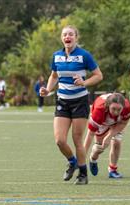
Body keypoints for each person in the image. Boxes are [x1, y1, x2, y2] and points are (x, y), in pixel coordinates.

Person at [40, 25, 103, 185]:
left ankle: (83, 174)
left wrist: (84, 82)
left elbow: (98, 75)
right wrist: (47, 90)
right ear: (62, 38)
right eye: (64, 35)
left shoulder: (84, 55)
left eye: (70, 34)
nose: (67, 37)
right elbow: (54, 76)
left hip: (79, 102)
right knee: (60, 140)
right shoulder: (57, 56)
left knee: (77, 140)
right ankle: (72, 161)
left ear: (76, 37)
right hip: (62, 100)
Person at [84, 93, 130, 178]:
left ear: (123, 107)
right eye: (113, 109)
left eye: (119, 109)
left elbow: (123, 123)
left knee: (117, 142)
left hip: (117, 122)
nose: (116, 112)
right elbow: (90, 134)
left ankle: (112, 170)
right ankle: (93, 159)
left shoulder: (127, 107)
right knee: (99, 148)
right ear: (108, 105)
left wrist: (109, 136)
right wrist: (82, 157)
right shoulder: (99, 110)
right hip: (103, 121)